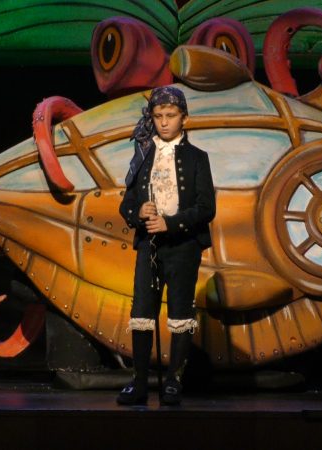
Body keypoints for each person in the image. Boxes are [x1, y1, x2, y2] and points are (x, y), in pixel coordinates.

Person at [117, 86, 215, 406]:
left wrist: (170, 223)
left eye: (170, 116)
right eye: (158, 116)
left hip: (183, 245)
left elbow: (206, 208)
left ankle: (173, 381)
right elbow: (126, 203)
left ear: (184, 118)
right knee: (142, 312)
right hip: (150, 245)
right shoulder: (144, 155)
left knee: (180, 311)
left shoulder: (197, 158)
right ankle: (140, 382)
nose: (163, 122)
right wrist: (138, 212)